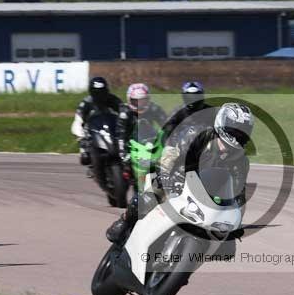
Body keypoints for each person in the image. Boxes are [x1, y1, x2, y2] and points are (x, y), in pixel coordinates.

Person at [106, 102, 254, 244]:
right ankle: (124, 221)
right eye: (234, 131)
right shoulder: (197, 134)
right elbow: (171, 153)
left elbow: (239, 193)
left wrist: (237, 219)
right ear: (222, 123)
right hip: (177, 179)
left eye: (242, 134)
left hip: (206, 197)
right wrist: (164, 175)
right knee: (148, 197)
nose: (236, 137)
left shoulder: (241, 161)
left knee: (226, 245)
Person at [115, 83, 168, 175]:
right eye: (136, 101)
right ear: (130, 100)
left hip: (150, 140)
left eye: (142, 101)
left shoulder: (154, 108)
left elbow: (167, 124)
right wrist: (122, 152)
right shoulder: (125, 112)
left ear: (148, 99)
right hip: (131, 143)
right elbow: (120, 133)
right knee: (124, 166)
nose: (139, 104)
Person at [71, 76, 122, 167]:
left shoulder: (113, 99)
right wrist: (81, 137)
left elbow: (123, 111)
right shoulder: (86, 102)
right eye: (96, 93)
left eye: (102, 92)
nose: (100, 95)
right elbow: (78, 118)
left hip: (111, 127)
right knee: (78, 126)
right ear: (91, 92)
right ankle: (84, 150)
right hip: (93, 129)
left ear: (106, 90)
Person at [159, 81, 213, 145]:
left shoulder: (210, 110)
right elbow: (167, 129)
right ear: (184, 97)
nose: (193, 100)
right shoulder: (177, 112)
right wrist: (171, 144)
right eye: (190, 97)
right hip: (181, 145)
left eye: (196, 97)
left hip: (207, 144)